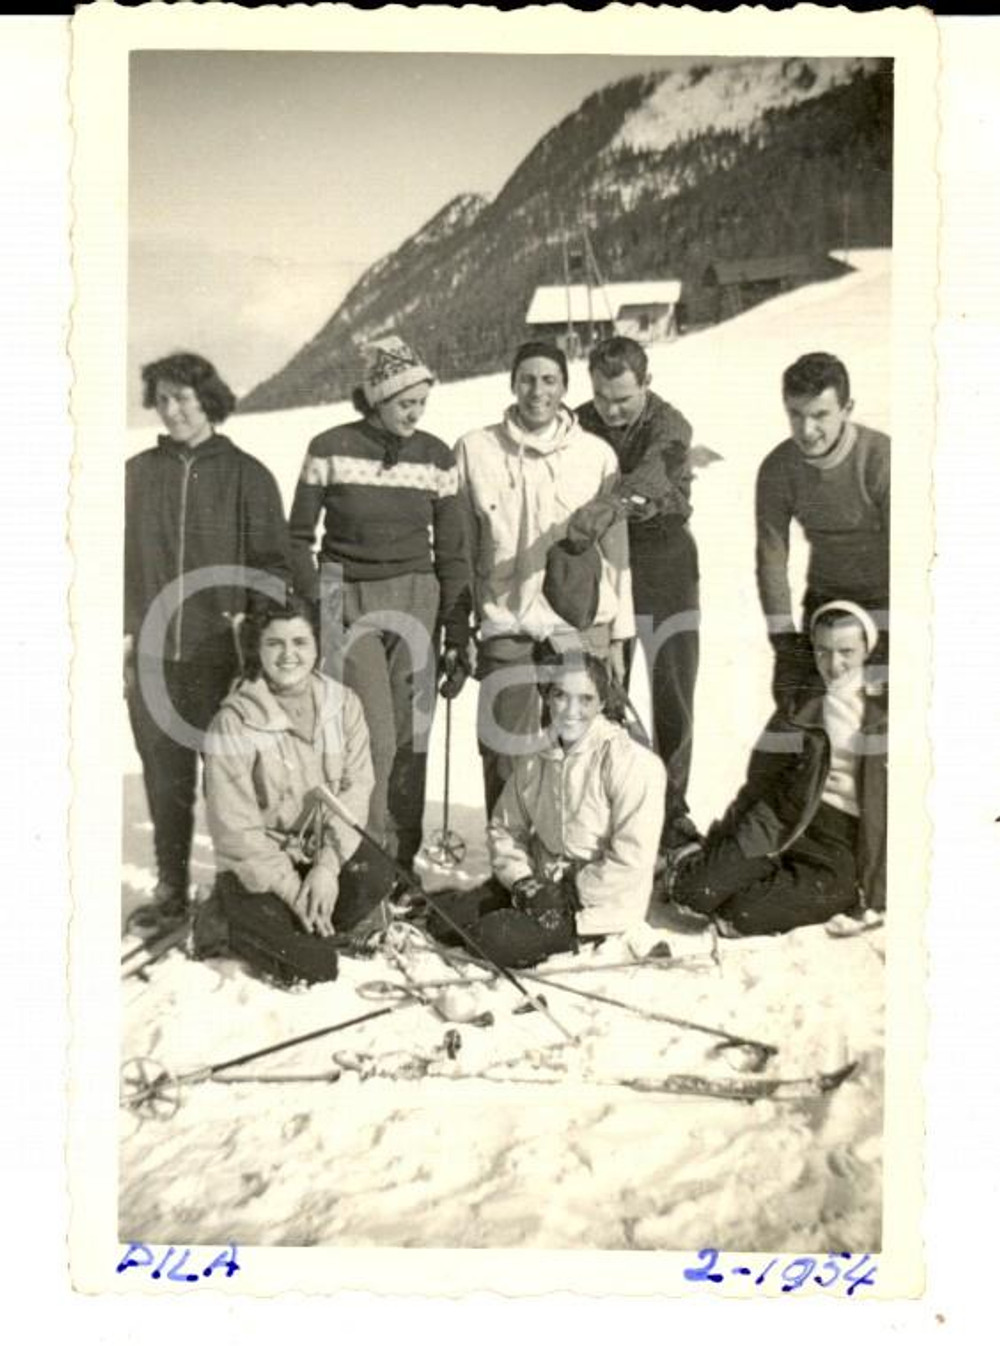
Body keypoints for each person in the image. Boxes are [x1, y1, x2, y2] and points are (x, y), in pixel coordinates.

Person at [288, 336, 471, 868]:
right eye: (403, 404)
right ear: (376, 399)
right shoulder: (329, 447)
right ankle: (364, 861)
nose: (414, 414)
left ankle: (402, 864)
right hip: (347, 599)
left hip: (418, 597)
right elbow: (298, 536)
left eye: (421, 404)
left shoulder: (436, 456)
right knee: (372, 738)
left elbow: (454, 550)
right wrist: (317, 604)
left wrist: (456, 631)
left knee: (414, 737)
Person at [124, 351, 291, 927]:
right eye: (163, 399)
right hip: (151, 656)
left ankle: (234, 890)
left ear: (208, 400)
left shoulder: (247, 474)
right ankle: (173, 887)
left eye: (184, 399)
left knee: (230, 780)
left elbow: (273, 567)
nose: (172, 410)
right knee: (164, 775)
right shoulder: (137, 474)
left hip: (222, 658)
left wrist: (260, 650)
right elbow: (107, 562)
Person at [454, 340, 635, 814]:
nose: (538, 391)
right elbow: (463, 548)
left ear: (565, 388)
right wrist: (464, 626)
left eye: (550, 380)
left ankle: (574, 870)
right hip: (505, 622)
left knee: (581, 753)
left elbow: (616, 551)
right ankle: (510, 874)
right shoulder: (475, 450)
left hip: (577, 626)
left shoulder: (597, 456)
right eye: (528, 379)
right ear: (513, 384)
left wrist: (619, 635)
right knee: (503, 752)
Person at [428, 652, 666, 968]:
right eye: (560, 696)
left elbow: (632, 857)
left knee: (490, 939)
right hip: (543, 886)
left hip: (597, 902)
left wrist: (570, 893)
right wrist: (522, 880)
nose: (571, 711)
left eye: (585, 699)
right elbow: (505, 827)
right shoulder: (538, 755)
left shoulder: (628, 762)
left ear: (602, 703)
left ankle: (593, 936)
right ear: (547, 698)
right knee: (444, 918)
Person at [202, 597, 396, 984]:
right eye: (275, 643)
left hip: (316, 856)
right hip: (261, 865)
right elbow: (235, 829)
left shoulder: (343, 704)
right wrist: (294, 891)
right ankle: (225, 919)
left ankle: (299, 921)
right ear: (258, 649)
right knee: (315, 965)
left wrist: (326, 868)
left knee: (377, 872)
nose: (288, 654)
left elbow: (356, 789)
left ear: (317, 647)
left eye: (300, 642)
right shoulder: (234, 721)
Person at [665, 601, 887, 937]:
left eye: (846, 651)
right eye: (823, 651)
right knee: (692, 894)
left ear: (866, 649)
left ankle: (800, 892)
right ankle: (706, 864)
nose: (834, 663)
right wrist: (723, 840)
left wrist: (878, 885)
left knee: (741, 915)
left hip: (838, 841)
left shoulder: (887, 711)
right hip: (781, 821)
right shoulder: (801, 704)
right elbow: (761, 780)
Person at [577, 335, 700, 849]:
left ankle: (672, 810)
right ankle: (615, 804)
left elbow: (653, 474)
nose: (611, 409)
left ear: (646, 384)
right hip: (607, 564)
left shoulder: (670, 425)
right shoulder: (580, 418)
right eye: (602, 397)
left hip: (665, 562)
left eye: (623, 398)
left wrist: (610, 504)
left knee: (671, 688)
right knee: (606, 686)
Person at [756, 351, 890, 706]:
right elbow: (771, 555)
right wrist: (783, 638)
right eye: (795, 415)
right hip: (825, 599)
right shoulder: (777, 468)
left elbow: (910, 553)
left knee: (879, 710)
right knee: (798, 703)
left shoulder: (881, 459)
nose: (806, 429)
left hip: (886, 599)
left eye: (820, 415)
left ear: (847, 409)